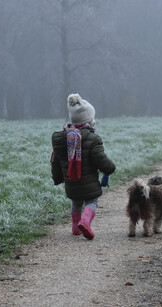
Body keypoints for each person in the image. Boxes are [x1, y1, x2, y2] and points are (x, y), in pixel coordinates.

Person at [51, 93, 116, 240]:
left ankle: (75, 227)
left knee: (76, 201)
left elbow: (55, 161)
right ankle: (85, 222)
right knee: (92, 201)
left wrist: (57, 178)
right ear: (89, 120)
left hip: (71, 182)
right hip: (88, 183)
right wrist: (110, 168)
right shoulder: (92, 139)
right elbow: (100, 159)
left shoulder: (61, 138)